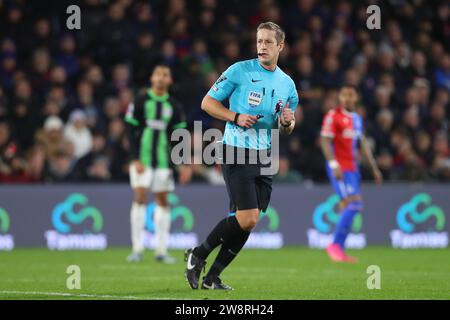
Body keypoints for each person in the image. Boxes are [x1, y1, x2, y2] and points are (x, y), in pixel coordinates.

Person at [184, 22, 298, 290]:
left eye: (268, 42)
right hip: (235, 149)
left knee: (246, 222)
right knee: (248, 218)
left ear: (280, 46)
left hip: (264, 154)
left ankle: (212, 278)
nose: (262, 46)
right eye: (259, 41)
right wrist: (234, 116)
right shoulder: (239, 71)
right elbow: (207, 103)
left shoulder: (288, 85)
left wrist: (287, 123)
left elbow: (287, 127)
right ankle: (197, 254)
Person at [124, 64, 188, 264]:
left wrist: (182, 163)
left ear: (169, 81)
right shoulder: (140, 100)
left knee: (162, 201)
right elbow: (130, 130)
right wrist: (134, 157)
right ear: (152, 78)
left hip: (163, 162)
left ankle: (161, 250)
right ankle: (137, 248)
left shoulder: (175, 106)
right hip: (142, 158)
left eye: (165, 75)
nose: (161, 78)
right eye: (158, 74)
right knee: (140, 197)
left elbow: (179, 137)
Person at [320, 85, 383, 263]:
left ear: (356, 98)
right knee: (352, 205)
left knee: (353, 206)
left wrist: (374, 168)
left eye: (351, 95)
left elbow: (363, 145)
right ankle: (335, 246)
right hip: (339, 168)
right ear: (340, 98)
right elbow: (325, 142)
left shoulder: (356, 119)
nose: (347, 98)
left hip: (353, 169)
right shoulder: (333, 116)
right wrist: (333, 164)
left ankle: (339, 248)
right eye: (344, 95)